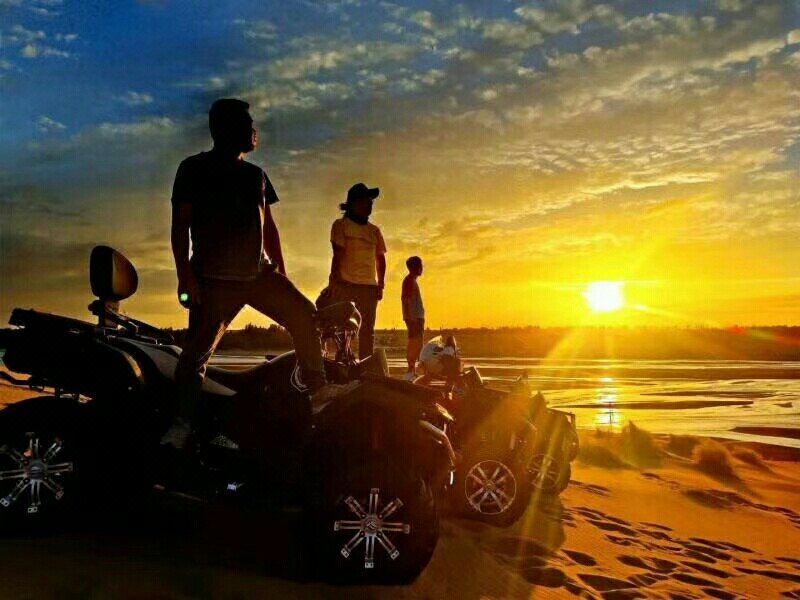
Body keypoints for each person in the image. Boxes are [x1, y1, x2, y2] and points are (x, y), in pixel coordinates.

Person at [161, 98, 351, 452]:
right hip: (213, 280)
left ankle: (318, 389)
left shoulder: (256, 176)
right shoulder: (193, 169)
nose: (254, 132)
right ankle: (181, 424)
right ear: (226, 129)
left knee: (304, 315)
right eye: (248, 125)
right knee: (195, 356)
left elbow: (269, 228)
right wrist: (184, 276)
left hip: (259, 275)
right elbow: (180, 226)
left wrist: (281, 272)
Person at [327, 183, 387, 359]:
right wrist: (334, 282)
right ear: (354, 203)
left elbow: (380, 259)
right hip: (346, 285)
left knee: (367, 330)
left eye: (371, 202)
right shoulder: (341, 225)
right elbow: (337, 255)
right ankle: (342, 361)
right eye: (367, 201)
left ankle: (366, 366)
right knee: (343, 328)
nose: (370, 204)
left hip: (369, 287)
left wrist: (381, 284)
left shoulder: (374, 231)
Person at [401, 256, 425, 380]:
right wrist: (410, 316)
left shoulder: (411, 281)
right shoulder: (409, 281)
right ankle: (410, 369)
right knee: (415, 342)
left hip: (416, 317)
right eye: (421, 266)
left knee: (417, 342)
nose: (422, 268)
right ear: (417, 267)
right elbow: (406, 299)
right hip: (414, 317)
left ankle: (412, 370)